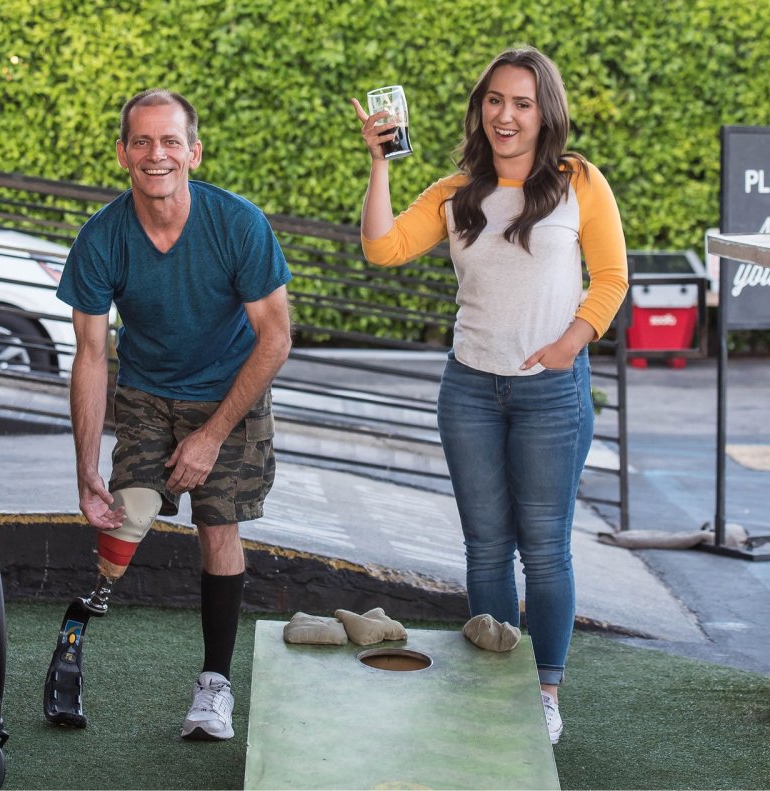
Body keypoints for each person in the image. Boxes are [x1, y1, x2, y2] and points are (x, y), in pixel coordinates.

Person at [351, 47, 629, 745]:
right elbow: (382, 248)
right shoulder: (453, 192)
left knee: (545, 552)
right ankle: (495, 682)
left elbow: (612, 278)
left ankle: (543, 690)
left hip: (552, 394)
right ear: (480, 109)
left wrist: (572, 340)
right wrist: (380, 162)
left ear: (545, 114)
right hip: (469, 390)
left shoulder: (580, 182)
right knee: (484, 551)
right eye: (496, 101)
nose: (507, 115)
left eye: (523, 103)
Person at [46, 88, 292, 741]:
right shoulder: (101, 238)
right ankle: (88, 609)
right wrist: (84, 466)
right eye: (143, 141)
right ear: (124, 152)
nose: (157, 154)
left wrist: (212, 435)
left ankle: (214, 685)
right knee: (127, 506)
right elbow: (92, 356)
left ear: (193, 150)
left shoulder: (238, 223)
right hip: (148, 387)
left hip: (229, 385)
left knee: (219, 523)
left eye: (170, 141)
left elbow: (276, 338)